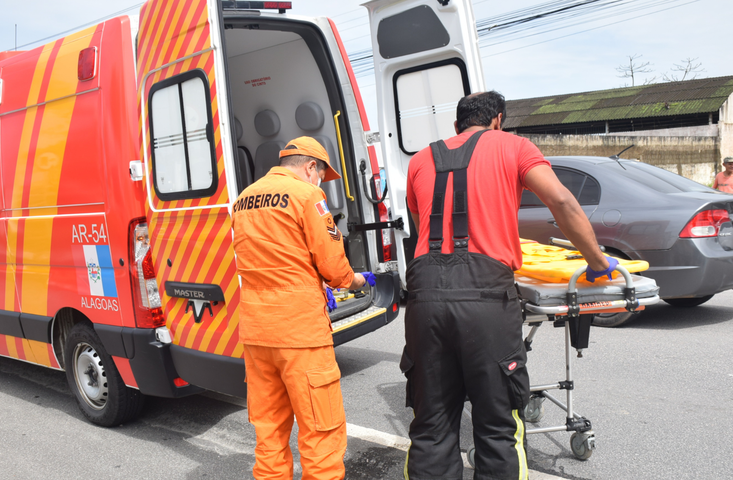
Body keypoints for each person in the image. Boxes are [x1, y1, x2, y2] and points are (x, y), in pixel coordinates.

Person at [401, 91, 616, 480]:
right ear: (498, 120)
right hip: (486, 298)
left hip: (424, 298)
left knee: (430, 428)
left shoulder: (419, 160)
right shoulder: (514, 147)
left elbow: (422, 226)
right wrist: (598, 261)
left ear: (456, 126)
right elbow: (561, 202)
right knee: (498, 426)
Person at [231, 136, 366, 480]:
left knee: (269, 433)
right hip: (300, 331)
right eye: (321, 176)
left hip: (257, 332)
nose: (321, 182)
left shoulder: (244, 199)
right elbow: (333, 267)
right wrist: (356, 281)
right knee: (321, 431)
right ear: (310, 167)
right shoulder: (307, 196)